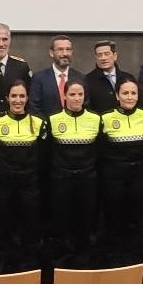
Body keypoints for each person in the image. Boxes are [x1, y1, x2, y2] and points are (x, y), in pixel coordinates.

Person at [0, 80, 47, 269]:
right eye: (14, 96)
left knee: (30, 225)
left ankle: (29, 265)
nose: (18, 100)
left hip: (29, 184)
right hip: (3, 184)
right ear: (7, 98)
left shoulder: (38, 123)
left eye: (22, 96)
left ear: (27, 98)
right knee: (1, 224)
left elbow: (43, 156)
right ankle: (2, 263)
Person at [100, 77, 143, 265]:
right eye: (125, 93)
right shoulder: (106, 118)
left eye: (133, 93)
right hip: (114, 177)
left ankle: (136, 260)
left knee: (138, 218)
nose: (129, 97)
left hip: (140, 176)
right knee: (115, 218)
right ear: (117, 96)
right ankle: (116, 260)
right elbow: (101, 150)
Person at [46, 80, 101, 266]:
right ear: (64, 95)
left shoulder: (95, 119)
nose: (76, 98)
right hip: (61, 180)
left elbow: (100, 151)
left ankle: (83, 261)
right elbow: (47, 153)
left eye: (80, 94)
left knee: (85, 222)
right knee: (61, 223)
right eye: (72, 94)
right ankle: (61, 262)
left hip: (87, 179)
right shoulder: (53, 120)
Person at [30, 35, 85, 118]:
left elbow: (86, 105)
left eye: (68, 49)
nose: (65, 53)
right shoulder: (39, 78)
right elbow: (34, 107)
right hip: (48, 124)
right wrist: (50, 123)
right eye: (60, 49)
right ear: (51, 53)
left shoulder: (80, 77)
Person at [85, 40, 136, 114]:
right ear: (96, 58)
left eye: (107, 54)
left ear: (115, 56)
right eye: (99, 55)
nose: (103, 58)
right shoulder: (88, 80)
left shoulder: (127, 78)